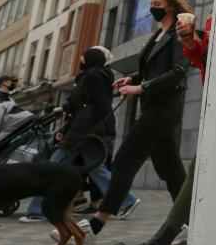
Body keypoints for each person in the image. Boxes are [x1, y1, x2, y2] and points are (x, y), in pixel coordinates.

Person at [106, 0, 216, 245]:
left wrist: (143, 85)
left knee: (192, 170)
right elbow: (204, 60)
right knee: (185, 172)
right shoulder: (212, 16)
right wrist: (190, 42)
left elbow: (181, 70)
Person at [66, 0, 192, 245]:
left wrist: (141, 88)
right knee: (170, 169)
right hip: (154, 106)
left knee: (124, 160)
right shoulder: (157, 35)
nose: (152, 8)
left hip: (165, 107)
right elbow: (149, 70)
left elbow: (179, 71)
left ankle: (94, 227)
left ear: (170, 6)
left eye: (157, 4)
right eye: (151, 3)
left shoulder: (178, 33)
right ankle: (190, 224)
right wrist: (131, 78)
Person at [21, 47, 140, 223]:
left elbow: (93, 105)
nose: (81, 61)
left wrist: (74, 126)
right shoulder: (92, 76)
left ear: (91, 60)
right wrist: (65, 111)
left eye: (83, 58)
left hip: (83, 132)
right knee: (97, 170)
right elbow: (82, 103)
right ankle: (127, 201)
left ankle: (38, 211)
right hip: (86, 131)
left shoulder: (93, 77)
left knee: (51, 168)